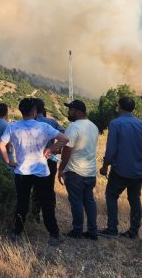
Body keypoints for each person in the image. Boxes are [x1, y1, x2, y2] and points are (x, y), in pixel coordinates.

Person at [0, 98, 69, 246]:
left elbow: (1, 144)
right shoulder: (43, 127)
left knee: (22, 203)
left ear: (21, 111)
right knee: (47, 203)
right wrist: (50, 150)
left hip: (22, 171)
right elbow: (64, 139)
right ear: (35, 111)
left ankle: (17, 233)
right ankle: (54, 235)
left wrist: (8, 161)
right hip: (41, 171)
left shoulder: (13, 127)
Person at [99, 96, 142, 239]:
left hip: (121, 170)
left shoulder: (115, 124)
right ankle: (133, 231)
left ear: (119, 107)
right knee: (135, 199)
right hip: (139, 171)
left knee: (111, 196)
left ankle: (112, 229)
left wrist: (105, 166)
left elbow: (111, 148)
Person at [57, 99, 99, 240]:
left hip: (75, 172)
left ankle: (77, 231)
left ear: (78, 111)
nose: (69, 112)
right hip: (90, 171)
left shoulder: (74, 127)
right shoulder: (94, 126)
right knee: (89, 201)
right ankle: (93, 231)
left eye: (71, 109)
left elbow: (67, 150)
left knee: (76, 202)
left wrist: (61, 168)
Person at [30, 98, 65, 222]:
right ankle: (50, 215)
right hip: (49, 158)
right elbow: (65, 136)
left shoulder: (28, 123)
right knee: (49, 188)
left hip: (33, 159)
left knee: (35, 187)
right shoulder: (52, 122)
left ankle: (34, 215)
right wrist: (54, 149)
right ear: (43, 109)